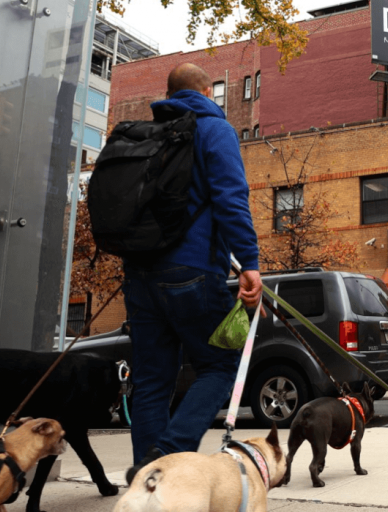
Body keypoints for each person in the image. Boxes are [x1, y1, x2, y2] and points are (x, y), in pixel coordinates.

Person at [123, 63, 265, 482]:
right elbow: (231, 199)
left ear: (169, 94)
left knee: (151, 381)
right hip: (191, 271)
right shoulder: (213, 128)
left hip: (139, 273)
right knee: (221, 364)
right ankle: (168, 459)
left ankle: (147, 481)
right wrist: (250, 263)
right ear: (207, 92)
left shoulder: (149, 134)